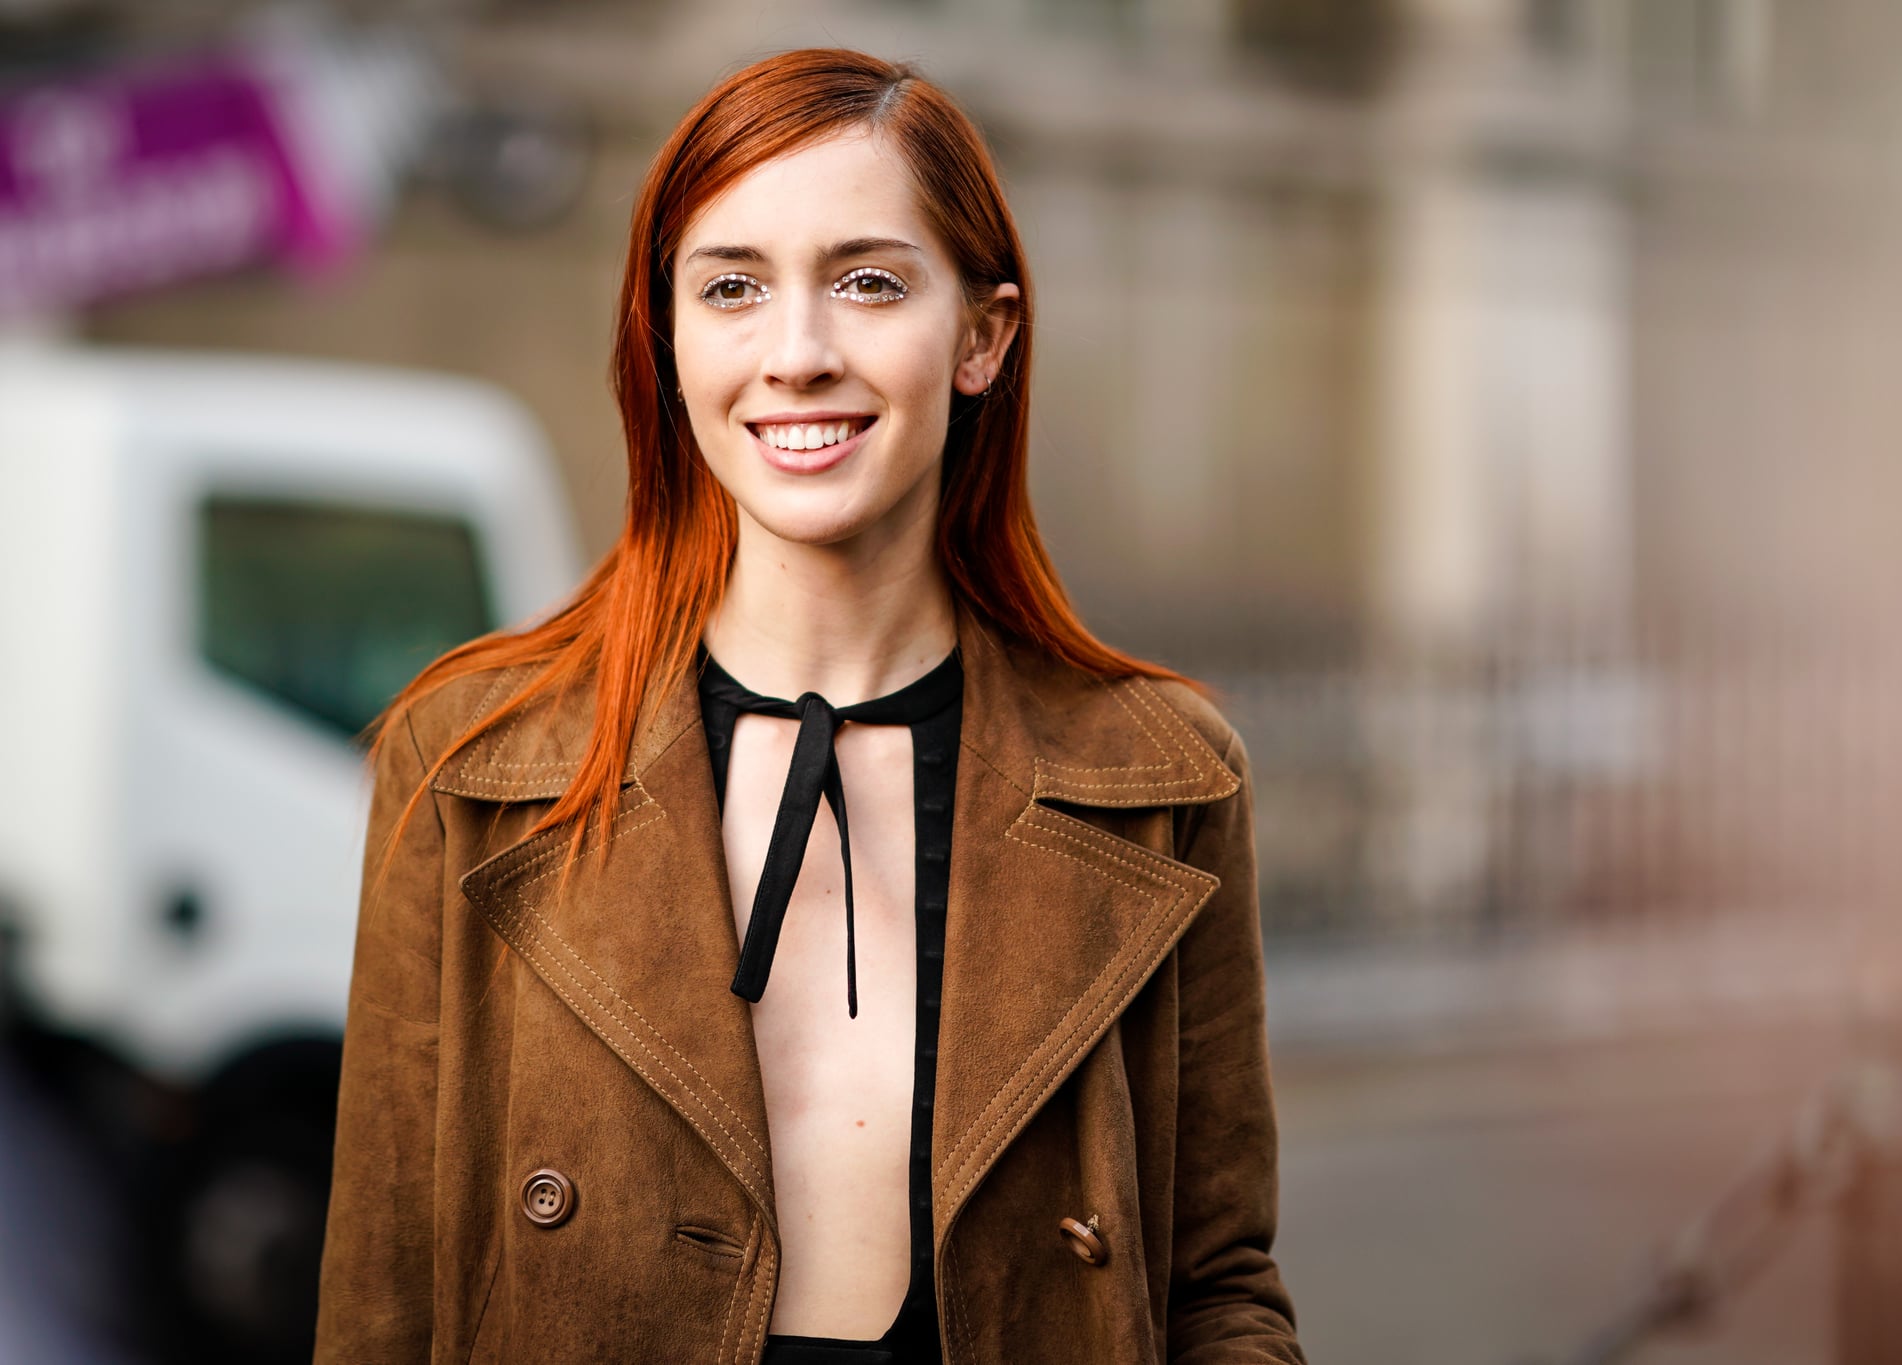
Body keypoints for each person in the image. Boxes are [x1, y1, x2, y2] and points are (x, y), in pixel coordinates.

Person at [314, 47, 1305, 1365]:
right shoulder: (473, 762)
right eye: (732, 287)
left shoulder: (1165, 776)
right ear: (665, 340)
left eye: (869, 281)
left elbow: (1219, 1284)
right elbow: (382, 1302)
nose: (797, 353)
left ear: (981, 336)